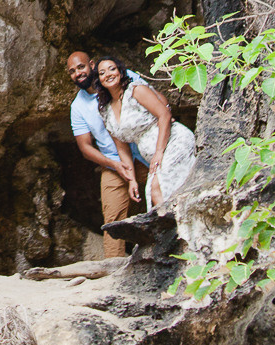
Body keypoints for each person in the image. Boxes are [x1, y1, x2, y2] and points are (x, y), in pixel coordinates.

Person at [66, 49, 150, 257]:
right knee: (112, 221)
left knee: (165, 197)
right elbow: (85, 147)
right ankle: (113, 268)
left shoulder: (120, 77)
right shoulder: (78, 107)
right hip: (114, 162)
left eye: (81, 67)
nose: (77, 73)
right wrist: (115, 165)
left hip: (145, 152)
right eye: (72, 71)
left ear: (92, 65)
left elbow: (154, 101)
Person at [95, 56, 195, 209]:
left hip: (173, 141)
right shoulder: (105, 111)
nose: (108, 74)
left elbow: (164, 115)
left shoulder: (136, 90)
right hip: (154, 154)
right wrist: (132, 180)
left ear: (120, 72)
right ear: (99, 80)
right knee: (158, 197)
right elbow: (122, 148)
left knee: (158, 191)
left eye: (112, 69)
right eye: (102, 73)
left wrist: (159, 152)